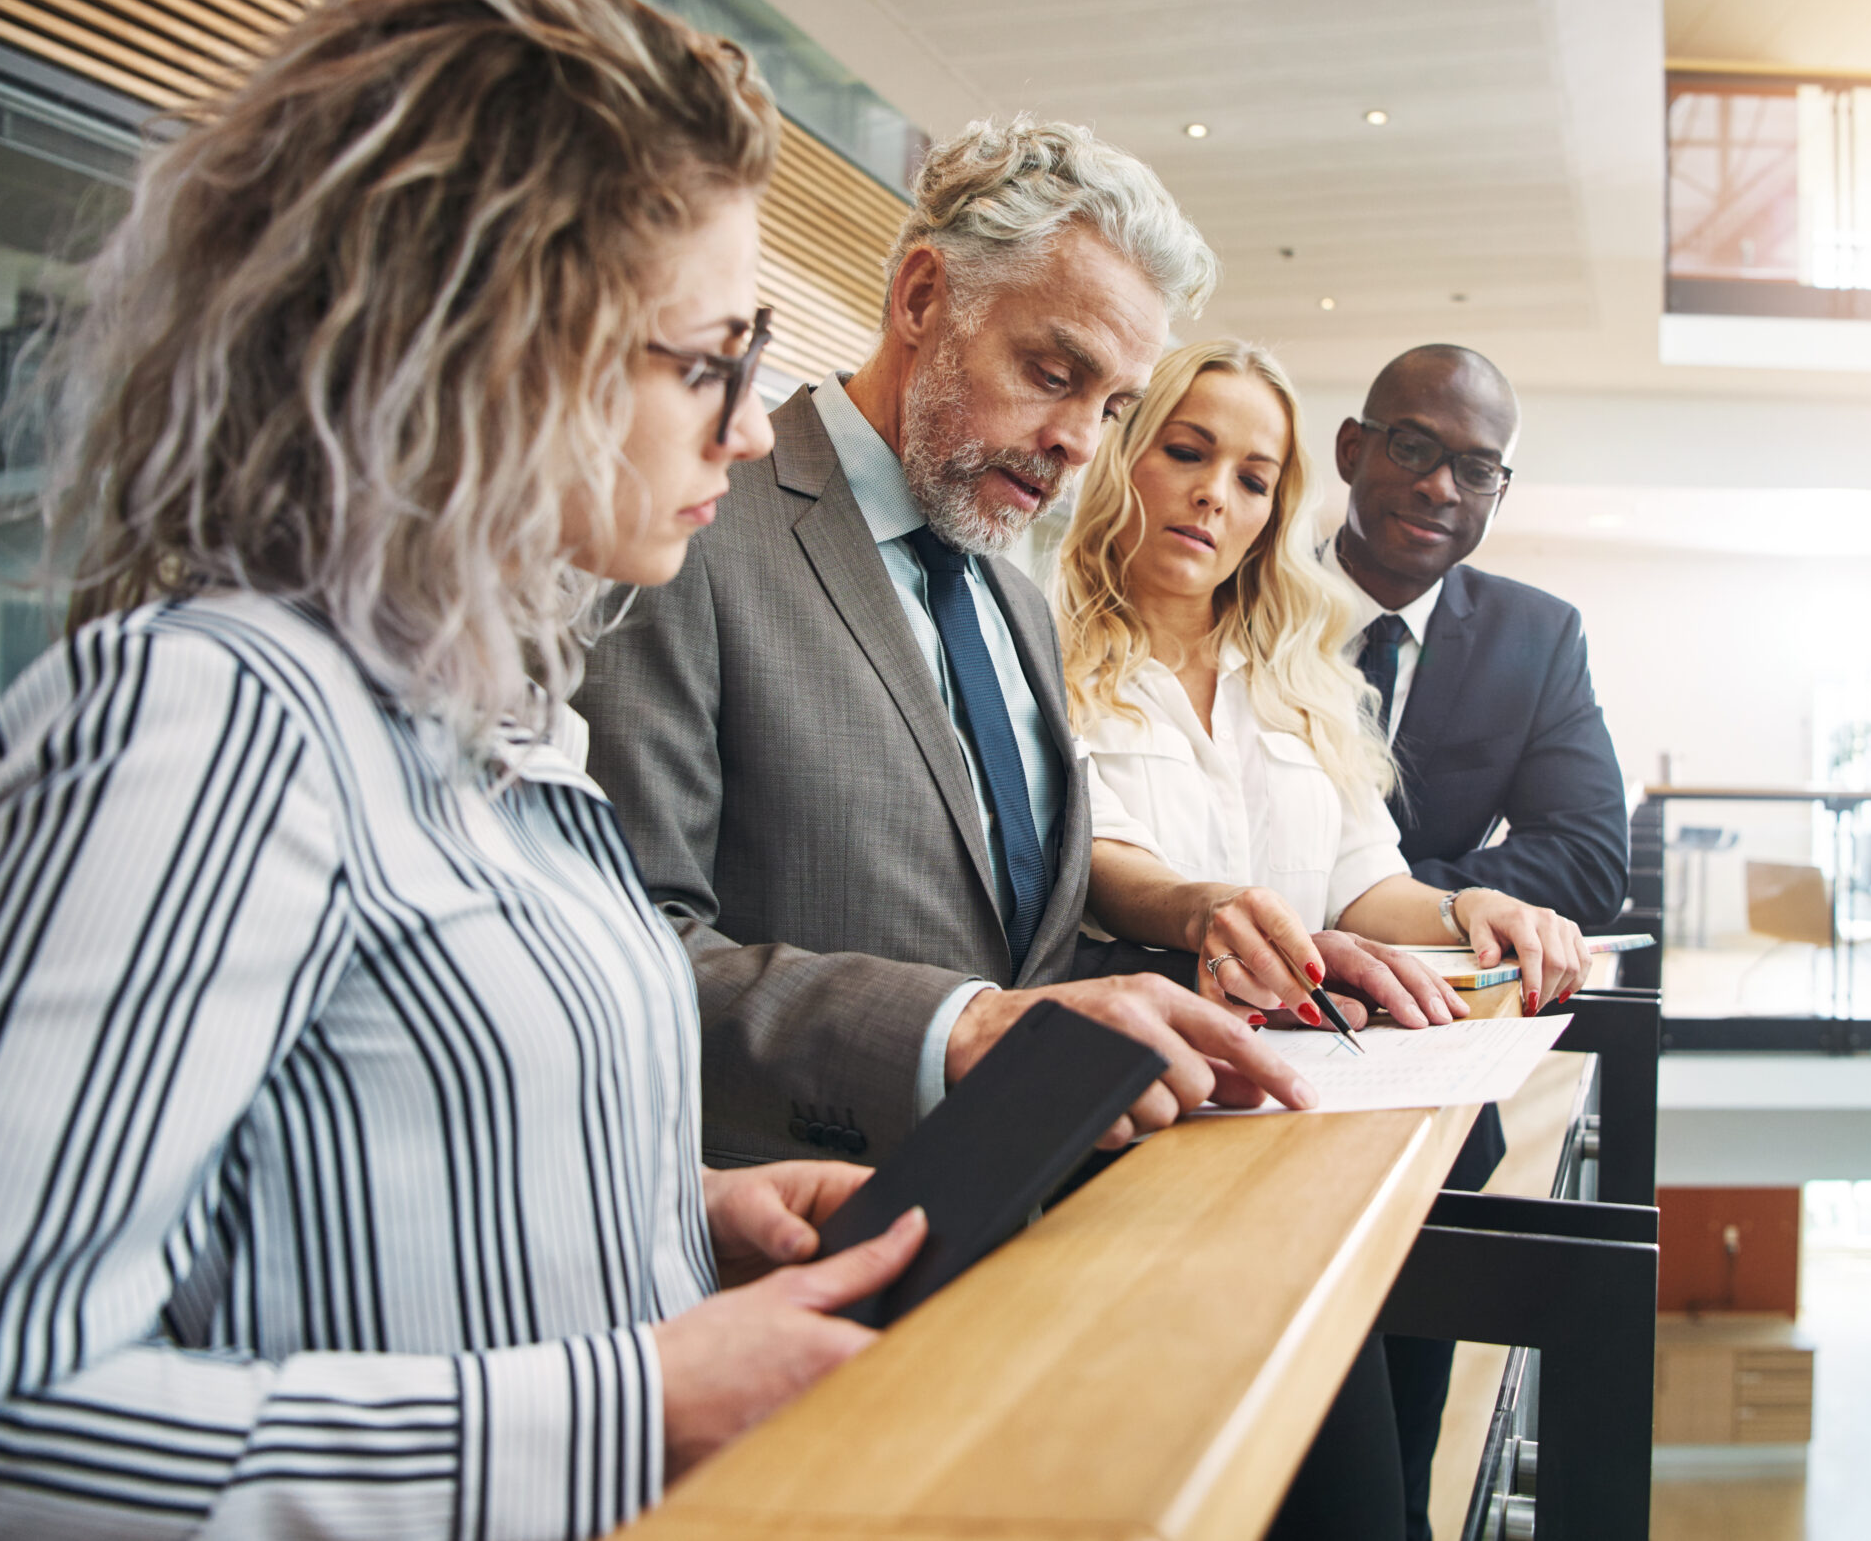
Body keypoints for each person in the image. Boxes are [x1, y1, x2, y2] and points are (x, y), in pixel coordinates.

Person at [0, 0, 928, 1539]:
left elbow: (342, 1169)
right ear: (487, 348)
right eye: (712, 360)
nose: (755, 426)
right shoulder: (201, 725)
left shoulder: (486, 722)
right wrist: (633, 1402)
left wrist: (676, 1219)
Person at [576, 119, 1414, 1167]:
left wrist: (1218, 968)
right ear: (921, 299)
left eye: (1111, 407)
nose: (1076, 445)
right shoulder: (690, 529)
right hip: (787, 1244)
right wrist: (952, 1030)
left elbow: (1024, 961)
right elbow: (617, 951)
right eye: (1052, 372)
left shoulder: (1015, 605)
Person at [1051, 341, 1590, 1541]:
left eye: (1251, 477)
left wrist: (1466, 912)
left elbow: (1364, 883)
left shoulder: (1293, 667)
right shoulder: (1044, 652)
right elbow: (1092, 860)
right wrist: (1200, 908)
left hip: (1336, 1124)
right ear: (1121, 458)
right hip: (1170, 1135)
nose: (1213, 497)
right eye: (1185, 455)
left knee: (1380, 1482)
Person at [1331, 343, 1629, 1541]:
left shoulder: (1535, 635)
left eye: (1477, 469)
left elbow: (1585, 859)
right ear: (1353, 450)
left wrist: (1376, 900)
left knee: (1397, 1460)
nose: (1440, 489)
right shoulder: (1237, 588)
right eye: (1412, 447)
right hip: (1225, 1069)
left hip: (1430, 1086)